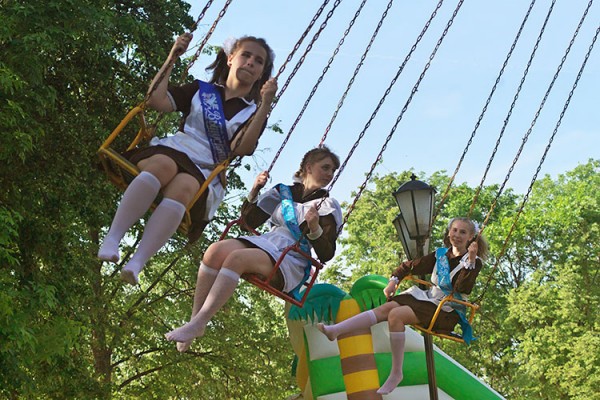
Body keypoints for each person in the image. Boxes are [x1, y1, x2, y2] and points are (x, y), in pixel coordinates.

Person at [97, 33, 278, 285]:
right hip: (173, 149)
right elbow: (155, 101)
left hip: (204, 169)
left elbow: (242, 148)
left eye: (258, 61)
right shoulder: (200, 90)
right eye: (246, 55)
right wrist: (172, 57)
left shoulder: (252, 112)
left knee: (186, 187)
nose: (250, 62)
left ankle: (137, 262)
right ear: (230, 59)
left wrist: (265, 104)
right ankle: (113, 237)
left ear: (261, 74)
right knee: (163, 165)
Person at [165, 146, 343, 352]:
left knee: (237, 259)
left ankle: (201, 321)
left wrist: (314, 229)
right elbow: (248, 222)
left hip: (292, 257)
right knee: (214, 250)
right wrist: (255, 190)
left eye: (333, 171)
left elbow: (326, 254)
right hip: (268, 242)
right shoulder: (282, 192)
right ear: (309, 167)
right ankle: (195, 320)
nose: (330, 174)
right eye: (326, 167)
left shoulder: (328, 205)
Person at [316, 217, 489, 395]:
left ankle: (396, 372)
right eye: (454, 230)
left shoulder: (473, 263)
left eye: (463, 232)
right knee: (386, 309)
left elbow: (461, 288)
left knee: (396, 315)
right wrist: (394, 281)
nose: (457, 235)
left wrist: (472, 259)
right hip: (428, 299)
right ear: (449, 232)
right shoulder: (441, 255)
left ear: (471, 238)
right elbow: (410, 265)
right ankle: (336, 330)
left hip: (446, 310)